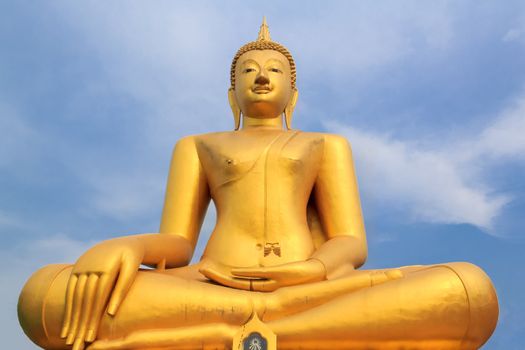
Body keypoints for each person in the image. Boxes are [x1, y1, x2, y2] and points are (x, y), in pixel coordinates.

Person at [18, 19, 498, 350]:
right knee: (48, 293)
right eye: (249, 70)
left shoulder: (325, 144)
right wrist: (124, 246)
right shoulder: (198, 145)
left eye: (275, 70)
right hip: (210, 282)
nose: (262, 76)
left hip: (311, 285)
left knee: (467, 287)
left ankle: (226, 333)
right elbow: (180, 244)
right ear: (232, 94)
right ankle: (289, 330)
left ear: (294, 91)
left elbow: (350, 242)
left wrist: (309, 272)